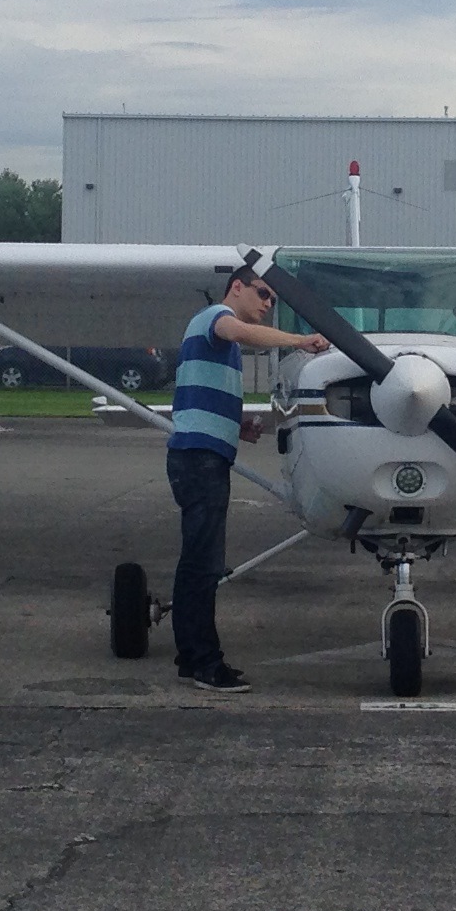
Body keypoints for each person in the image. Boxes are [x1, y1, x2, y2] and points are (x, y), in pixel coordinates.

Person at [167, 268, 328, 690]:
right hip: (200, 461)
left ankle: (191, 657)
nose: (267, 304)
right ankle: (205, 663)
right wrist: (300, 341)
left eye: (273, 300)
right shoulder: (215, 319)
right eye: (263, 294)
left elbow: (194, 393)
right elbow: (236, 330)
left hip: (204, 456)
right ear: (236, 287)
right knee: (204, 566)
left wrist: (237, 423)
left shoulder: (218, 342)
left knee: (197, 564)